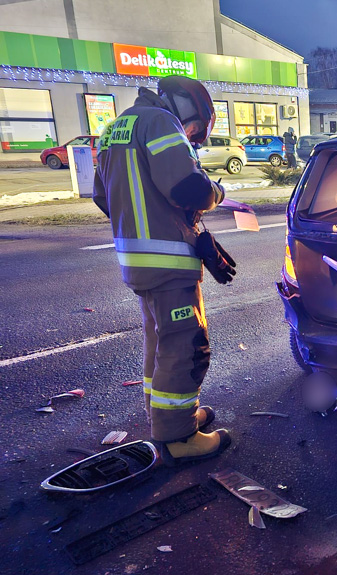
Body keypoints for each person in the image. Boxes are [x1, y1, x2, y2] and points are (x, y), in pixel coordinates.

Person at [93, 76, 235, 466]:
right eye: (194, 129)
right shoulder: (159, 122)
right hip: (169, 261)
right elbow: (187, 188)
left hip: (137, 261)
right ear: (187, 109)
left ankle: (168, 418)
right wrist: (217, 193)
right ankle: (180, 438)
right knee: (186, 346)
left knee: (159, 342)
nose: (192, 136)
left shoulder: (116, 127)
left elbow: (101, 195)